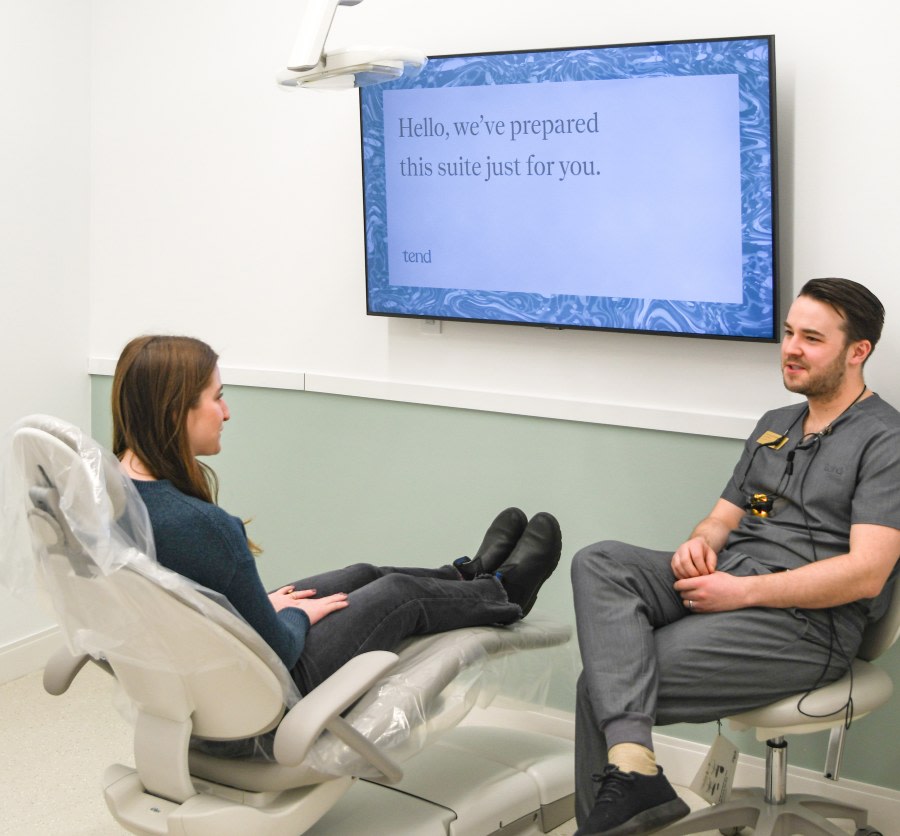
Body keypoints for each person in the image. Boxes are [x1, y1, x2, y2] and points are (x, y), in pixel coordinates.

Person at [571, 278, 900, 836]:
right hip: (732, 578)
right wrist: (702, 542)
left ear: (857, 351)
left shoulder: (885, 440)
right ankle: (635, 771)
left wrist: (742, 593)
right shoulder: (776, 425)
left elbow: (867, 575)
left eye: (812, 338)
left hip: (807, 625)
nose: (791, 348)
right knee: (600, 560)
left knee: (602, 684)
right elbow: (723, 516)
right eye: (789, 333)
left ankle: (628, 791)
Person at [111, 334, 561, 697]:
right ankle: (505, 593)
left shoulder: (113, 493)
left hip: (214, 661)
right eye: (217, 398)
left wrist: (269, 608)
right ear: (175, 412)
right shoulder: (202, 527)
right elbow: (283, 647)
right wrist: (294, 616)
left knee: (362, 573)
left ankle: (466, 578)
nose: (227, 412)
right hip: (269, 689)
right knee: (399, 595)